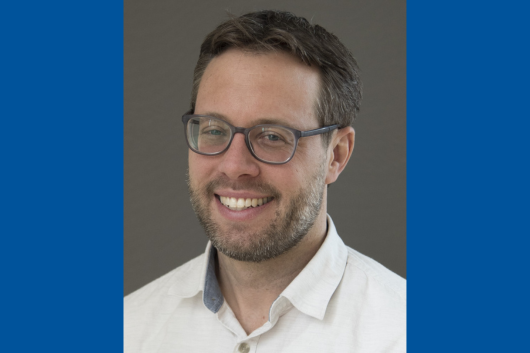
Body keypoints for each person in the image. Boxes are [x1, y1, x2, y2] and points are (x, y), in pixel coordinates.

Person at [124, 10, 405, 352]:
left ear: (337, 155)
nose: (234, 165)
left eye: (272, 136)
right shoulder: (130, 328)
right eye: (214, 130)